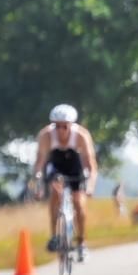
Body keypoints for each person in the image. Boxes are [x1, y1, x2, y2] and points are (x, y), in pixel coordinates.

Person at [33, 104, 99, 261]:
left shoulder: (81, 135)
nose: (61, 130)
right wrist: (38, 181)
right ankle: (54, 236)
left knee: (79, 204)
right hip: (56, 166)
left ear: (71, 125)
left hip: (75, 167)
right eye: (57, 126)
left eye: (65, 127)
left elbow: (91, 165)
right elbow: (40, 162)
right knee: (56, 192)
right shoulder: (46, 135)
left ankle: (82, 242)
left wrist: (90, 186)